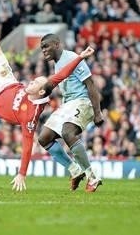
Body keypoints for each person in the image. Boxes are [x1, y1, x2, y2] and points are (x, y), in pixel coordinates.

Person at [0, 0, 94, 191]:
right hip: (7, 81)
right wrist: (80, 57)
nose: (31, 81)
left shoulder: (30, 116)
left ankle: (78, 170)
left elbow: (27, 146)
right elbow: (62, 74)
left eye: (35, 83)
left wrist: (22, 173)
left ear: (40, 92)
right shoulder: (37, 88)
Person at [37, 33, 104, 192]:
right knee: (43, 138)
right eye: (42, 48)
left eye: (46, 46)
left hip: (82, 102)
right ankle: (75, 171)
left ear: (57, 44)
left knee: (68, 132)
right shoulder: (58, 63)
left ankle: (92, 177)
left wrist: (98, 112)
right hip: (67, 104)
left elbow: (90, 84)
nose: (44, 51)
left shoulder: (72, 58)